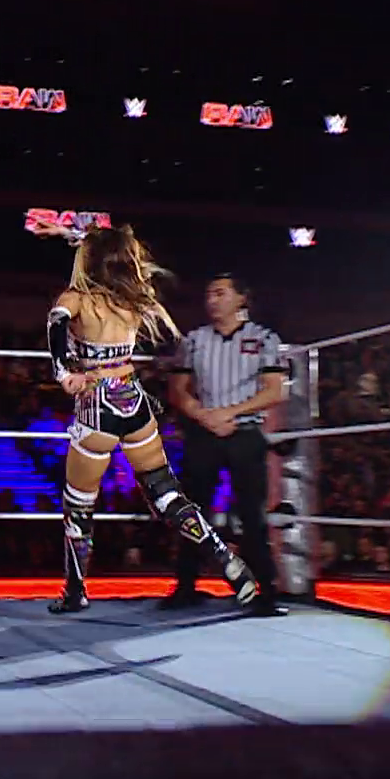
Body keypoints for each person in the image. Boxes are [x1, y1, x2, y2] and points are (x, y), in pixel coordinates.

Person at [35, 221, 257, 614]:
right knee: (166, 494)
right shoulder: (134, 297)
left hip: (97, 404)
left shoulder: (79, 298)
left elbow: (56, 323)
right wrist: (79, 237)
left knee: (78, 503)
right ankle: (226, 559)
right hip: (133, 400)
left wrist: (63, 372)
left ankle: (75, 590)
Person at [165, 273, 289, 615]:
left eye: (220, 293)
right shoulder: (193, 340)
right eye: (209, 294)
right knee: (193, 511)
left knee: (251, 512)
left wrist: (229, 413)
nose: (212, 300)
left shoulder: (264, 338)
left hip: (244, 430)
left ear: (241, 298)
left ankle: (266, 591)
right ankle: (186, 586)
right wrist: (204, 415)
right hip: (204, 431)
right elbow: (177, 391)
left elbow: (275, 391)